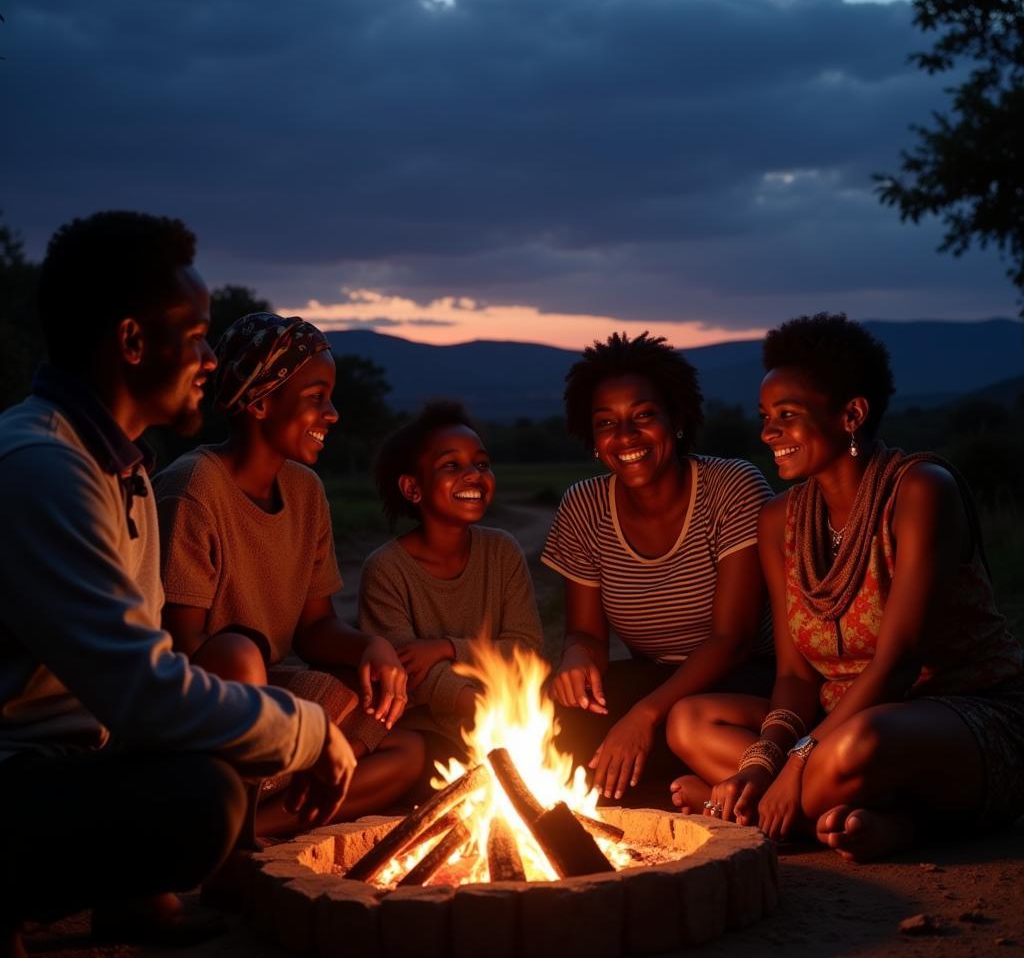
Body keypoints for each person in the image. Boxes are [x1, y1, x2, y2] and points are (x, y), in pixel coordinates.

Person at [0, 212, 356, 958]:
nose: (208, 360)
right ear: (132, 342)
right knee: (202, 798)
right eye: (195, 336)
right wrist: (306, 730)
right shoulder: (41, 468)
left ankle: (132, 908)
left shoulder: (118, 469)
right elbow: (145, 690)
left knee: (215, 749)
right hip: (17, 769)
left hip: (70, 758)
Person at [667, 313, 1024, 861]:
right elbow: (793, 675)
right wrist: (767, 762)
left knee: (865, 742)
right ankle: (856, 818)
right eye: (765, 417)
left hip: (958, 712)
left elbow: (897, 665)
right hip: (835, 720)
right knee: (689, 721)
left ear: (851, 414)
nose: (767, 433)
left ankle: (756, 814)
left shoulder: (921, 491)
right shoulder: (778, 521)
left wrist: (799, 762)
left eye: (787, 416)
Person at [155, 312, 424, 828]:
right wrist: (295, 722)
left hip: (269, 701)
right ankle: (226, 818)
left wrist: (372, 647)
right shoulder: (193, 489)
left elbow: (316, 627)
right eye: (316, 397)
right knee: (240, 659)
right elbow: (182, 654)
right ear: (259, 403)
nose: (333, 414)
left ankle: (254, 826)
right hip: (208, 720)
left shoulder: (305, 491)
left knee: (407, 750)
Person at [542, 331, 774, 804]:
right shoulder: (583, 506)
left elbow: (734, 638)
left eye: (644, 416)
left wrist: (643, 717)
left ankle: (717, 786)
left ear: (677, 419)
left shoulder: (730, 487)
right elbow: (586, 634)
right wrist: (575, 658)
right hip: (657, 679)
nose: (626, 437)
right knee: (554, 717)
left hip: (747, 676)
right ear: (592, 436)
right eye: (607, 423)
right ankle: (694, 789)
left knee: (673, 720)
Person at [359, 401, 544, 770]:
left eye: (481, 463)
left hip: (509, 714)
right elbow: (408, 671)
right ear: (413, 488)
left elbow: (528, 650)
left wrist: (447, 648)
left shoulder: (502, 550)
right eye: (451, 466)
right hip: (433, 734)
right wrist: (481, 707)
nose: (474, 474)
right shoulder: (386, 569)